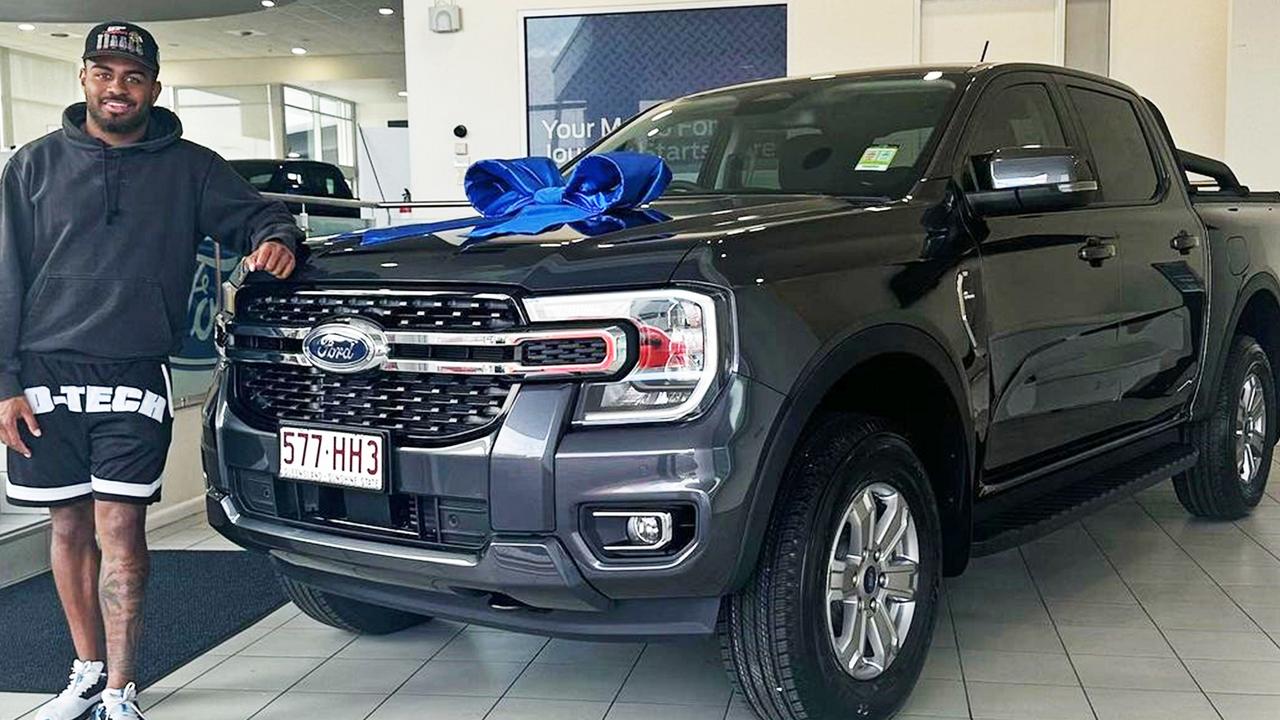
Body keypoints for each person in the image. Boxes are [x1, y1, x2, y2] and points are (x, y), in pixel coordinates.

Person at [0, 21, 301, 720]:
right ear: (82, 79)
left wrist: (277, 240)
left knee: (122, 529)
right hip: (44, 373)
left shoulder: (191, 166)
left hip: (135, 371)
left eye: (132, 77)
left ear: (153, 89)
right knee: (68, 528)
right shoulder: (32, 166)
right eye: (103, 73)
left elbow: (260, 216)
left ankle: (122, 689)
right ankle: (84, 673)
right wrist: (4, 382)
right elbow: (4, 274)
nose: (117, 88)